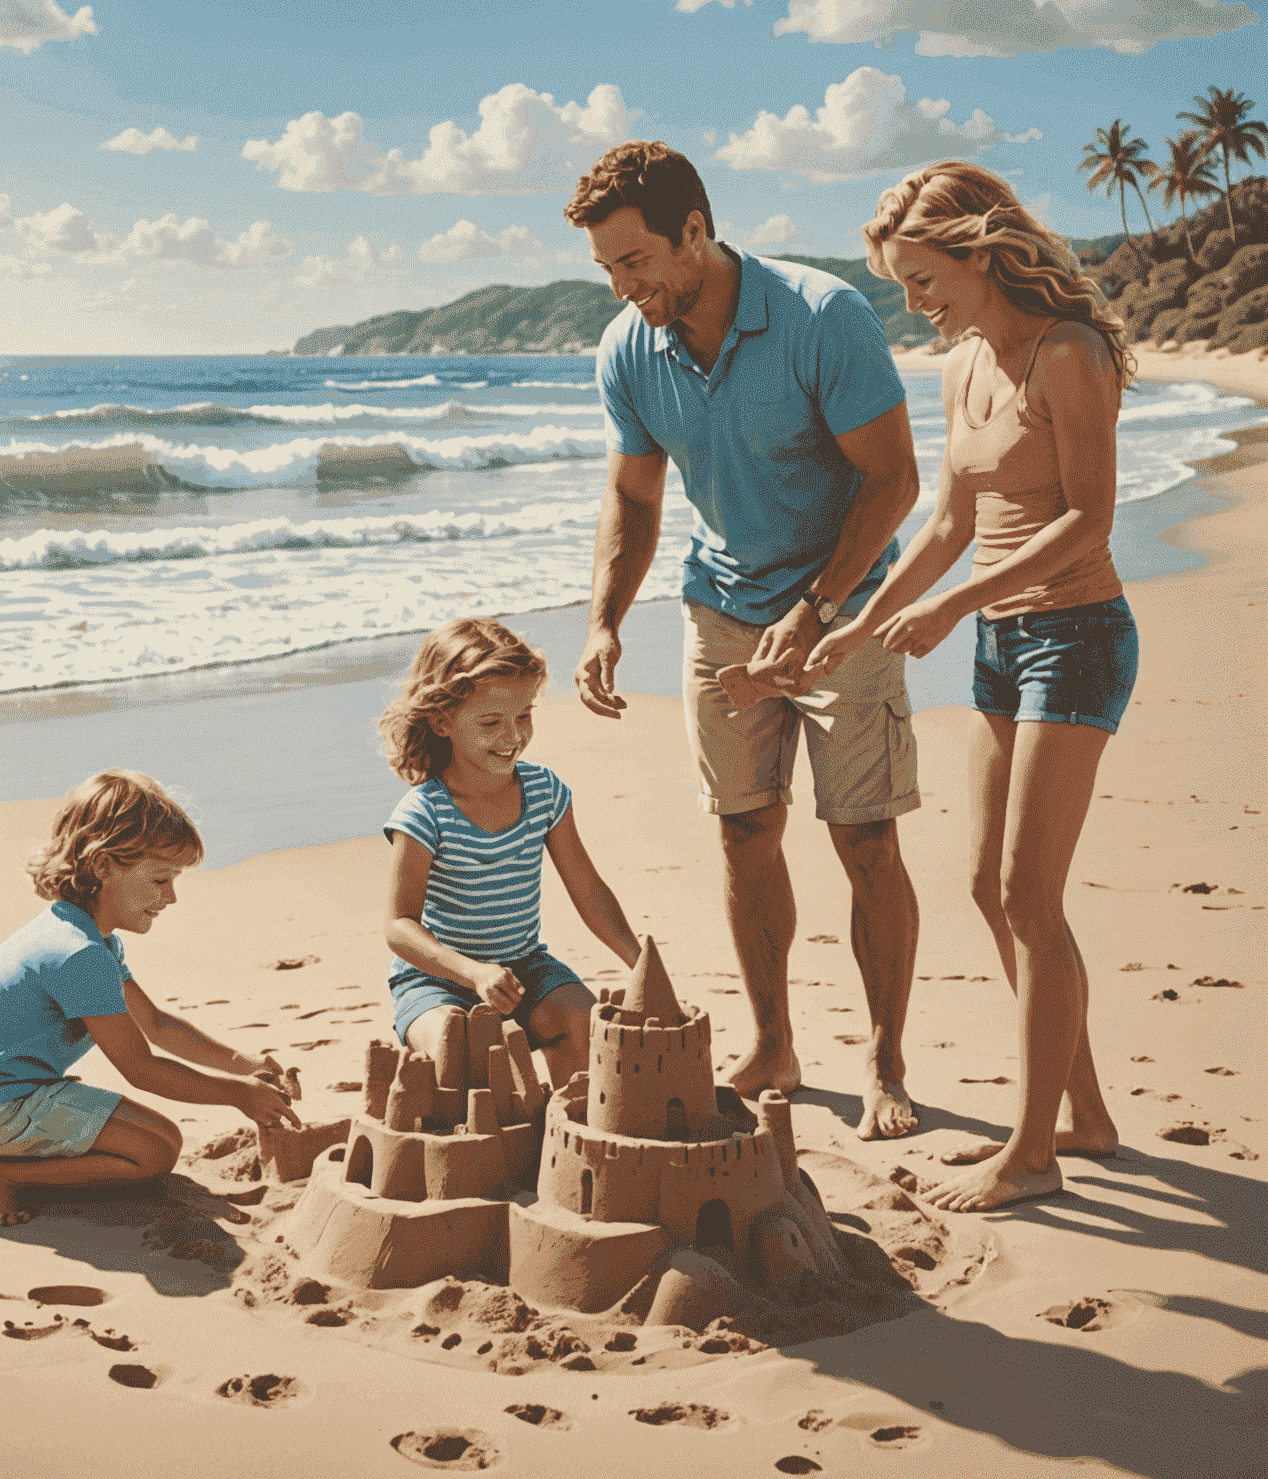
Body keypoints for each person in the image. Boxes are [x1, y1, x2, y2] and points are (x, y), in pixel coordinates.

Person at [564, 140, 923, 1139]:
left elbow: (893, 480)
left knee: (862, 836)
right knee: (743, 827)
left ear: (695, 231)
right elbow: (633, 497)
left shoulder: (820, 317)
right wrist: (603, 620)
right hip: (720, 610)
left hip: (843, 611)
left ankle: (887, 1062)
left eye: (636, 262)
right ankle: (776, 1041)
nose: (624, 287)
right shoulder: (629, 349)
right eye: (606, 270)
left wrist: (813, 613)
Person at [807, 159, 1136, 1211]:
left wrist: (950, 607)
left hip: (1076, 637)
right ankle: (1081, 1115)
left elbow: (1089, 517)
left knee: (1030, 895)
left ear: (980, 251)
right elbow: (948, 524)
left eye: (922, 277)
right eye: (900, 282)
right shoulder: (960, 368)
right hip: (1001, 642)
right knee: (988, 891)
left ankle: (1033, 1151)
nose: (914, 300)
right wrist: (854, 620)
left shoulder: (1069, 354)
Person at [0, 769, 298, 1227]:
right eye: (161, 880)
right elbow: (140, 1068)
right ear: (104, 866)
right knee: (155, 1152)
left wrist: (245, 1064)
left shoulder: (79, 931)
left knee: (157, 1132)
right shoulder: (79, 956)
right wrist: (239, 1096)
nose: (172, 897)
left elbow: (156, 1025)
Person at [379, 618, 639, 1088]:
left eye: (524, 715)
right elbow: (399, 927)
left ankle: (570, 1131)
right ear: (442, 721)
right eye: (491, 722)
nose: (513, 736)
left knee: (586, 1023)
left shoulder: (544, 793)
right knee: (459, 1048)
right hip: (435, 982)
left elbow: (590, 893)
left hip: (525, 968)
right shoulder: (424, 814)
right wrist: (472, 972)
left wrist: (639, 963)